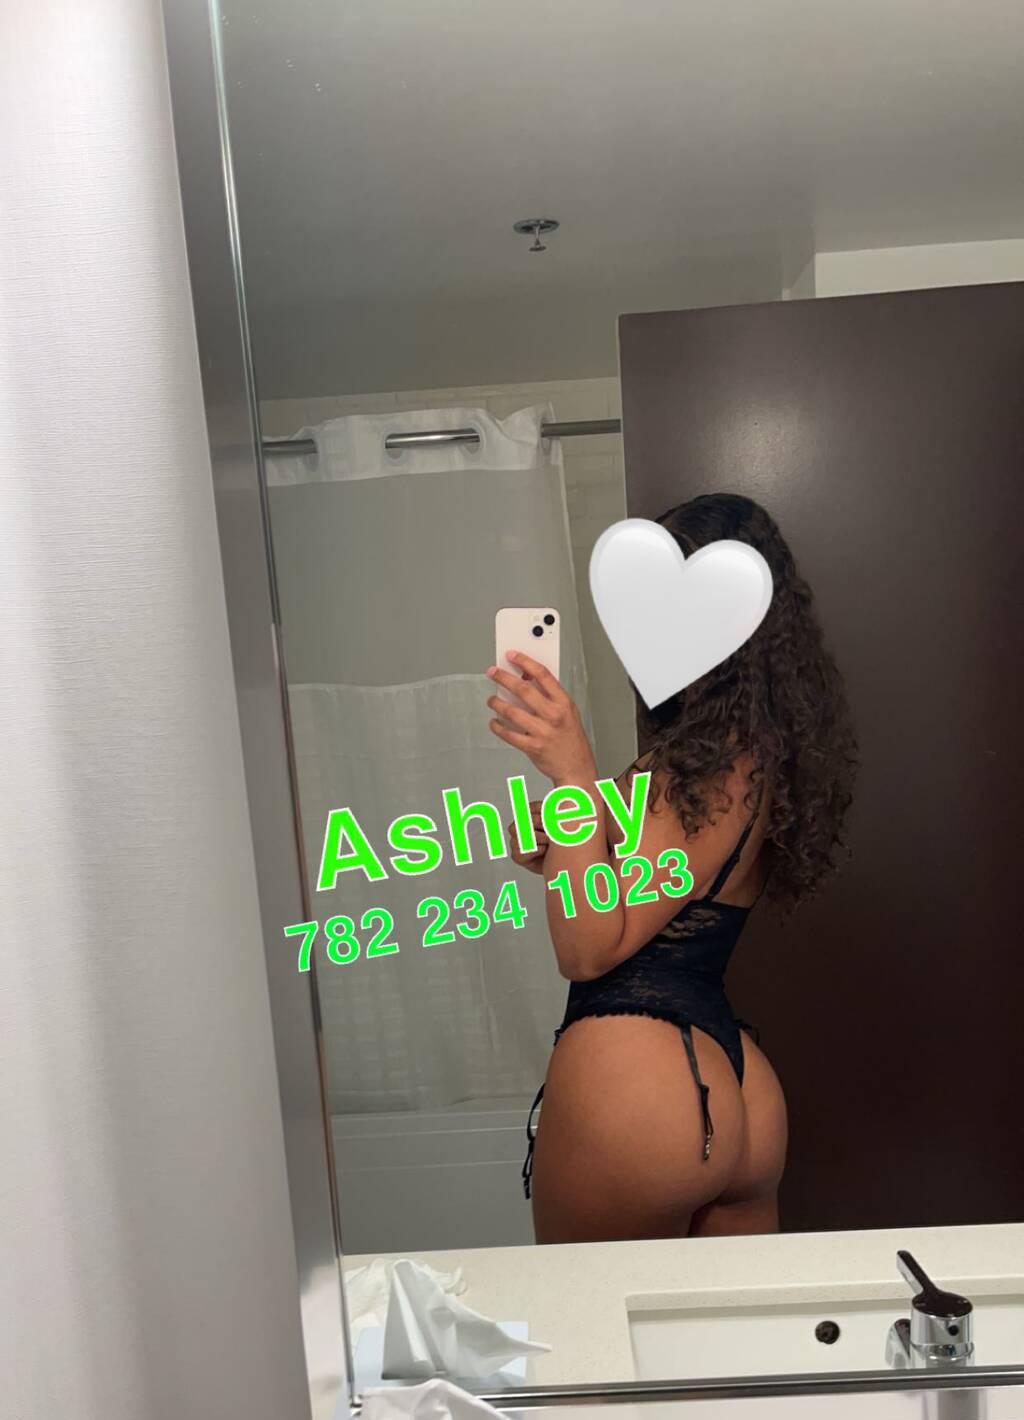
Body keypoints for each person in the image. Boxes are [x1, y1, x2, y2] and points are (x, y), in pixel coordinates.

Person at [484, 493, 856, 1243]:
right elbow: (639, 894)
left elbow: (589, 948)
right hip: (733, 1083)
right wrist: (565, 844)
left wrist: (573, 777)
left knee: (586, 1315)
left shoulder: (709, 767)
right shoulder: (747, 761)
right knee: (731, 1323)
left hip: (638, 1080)